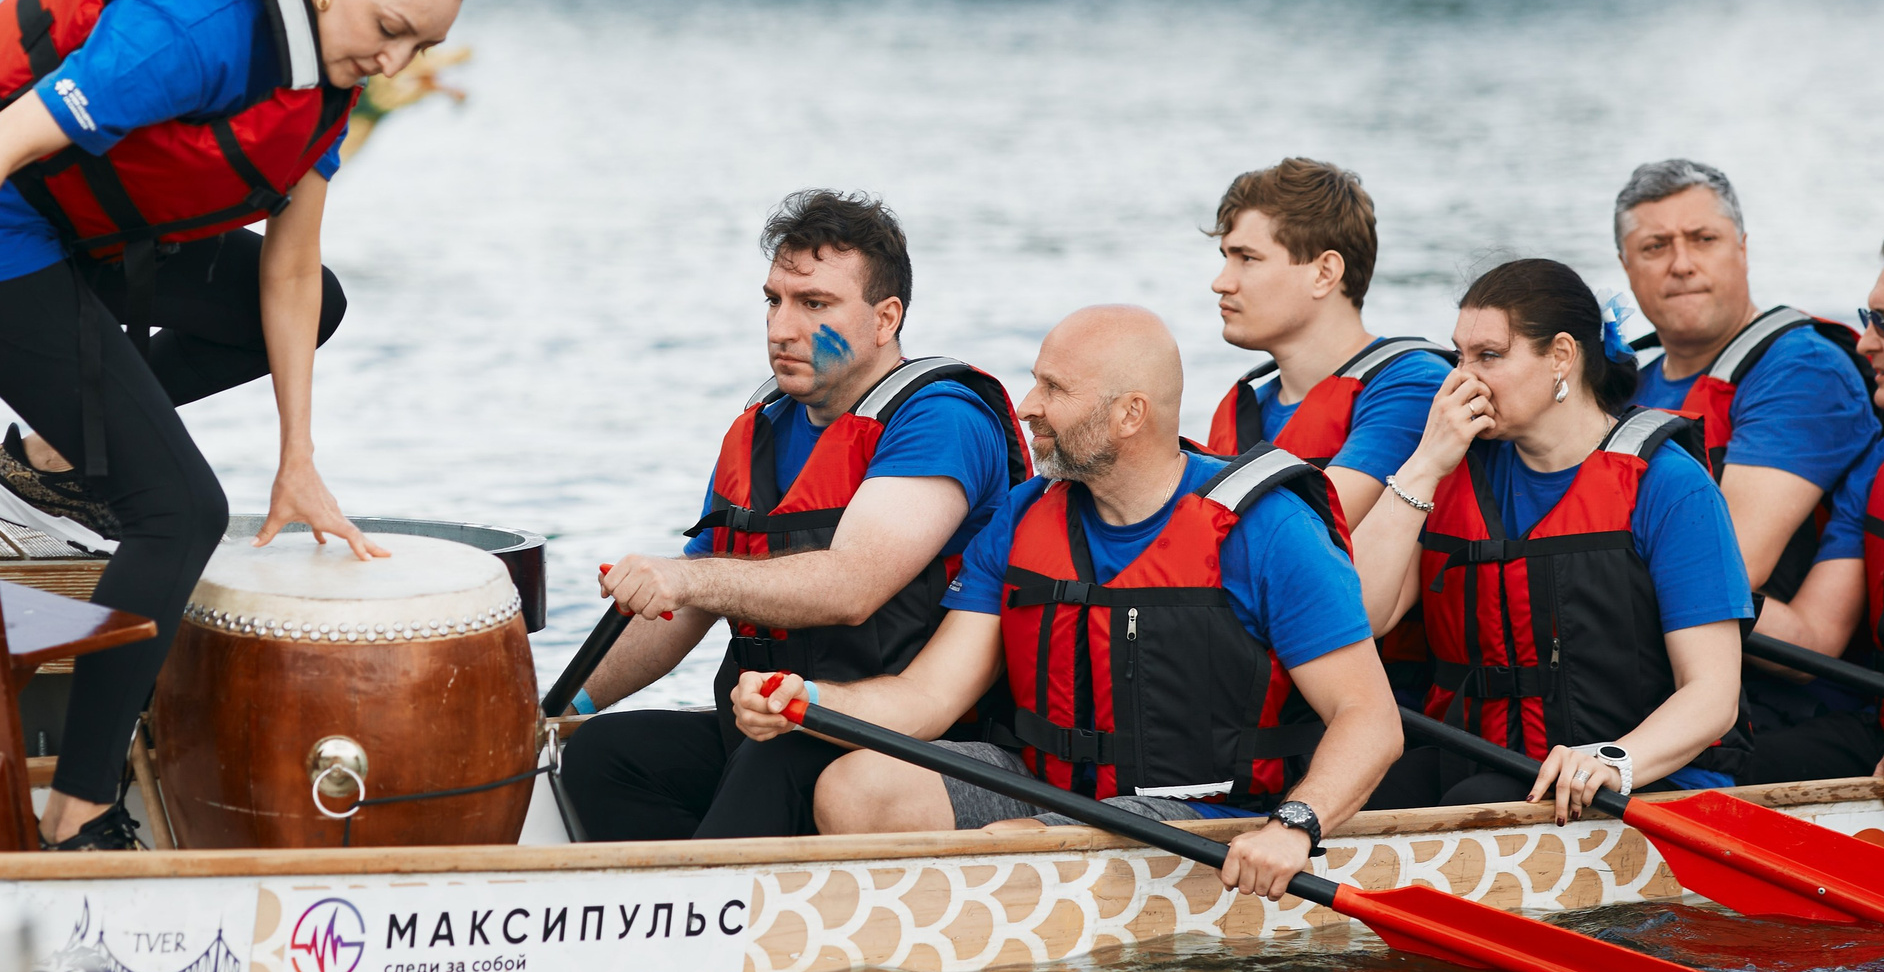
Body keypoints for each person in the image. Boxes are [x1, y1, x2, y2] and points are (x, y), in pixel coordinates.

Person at [0, 0, 474, 852]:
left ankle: (47, 463)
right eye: (389, 28)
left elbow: (290, 272)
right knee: (180, 510)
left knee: (322, 303)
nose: (393, 61)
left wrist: (297, 456)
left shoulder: (330, 78)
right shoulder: (195, 27)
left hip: (92, 233)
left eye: (420, 45)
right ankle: (77, 813)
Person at [731, 305, 1400, 901]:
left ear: (1130, 414)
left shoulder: (1270, 529)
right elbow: (928, 696)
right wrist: (804, 700)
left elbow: (1369, 720)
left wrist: (1294, 826)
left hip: (1217, 817)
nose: (1028, 405)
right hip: (1049, 782)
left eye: (1054, 389)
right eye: (1035, 381)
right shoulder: (1023, 517)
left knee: (1016, 844)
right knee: (855, 789)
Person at [560, 190, 1030, 841]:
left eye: (814, 305)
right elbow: (685, 608)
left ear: (885, 319)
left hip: (908, 744)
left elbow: (852, 586)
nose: (781, 329)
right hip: (769, 724)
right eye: (773, 301)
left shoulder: (941, 419)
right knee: (601, 755)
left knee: (776, 759)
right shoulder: (762, 428)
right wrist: (558, 705)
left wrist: (685, 578)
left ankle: (712, 892)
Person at [1350, 259, 1748, 815]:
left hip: (1635, 777)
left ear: (1561, 355)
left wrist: (1615, 759)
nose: (1462, 380)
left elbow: (1713, 695)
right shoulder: (1450, 469)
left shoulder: (1671, 486)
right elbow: (1362, 618)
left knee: (1476, 799)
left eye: (1489, 356)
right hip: (1478, 759)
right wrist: (1422, 465)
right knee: (1362, 795)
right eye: (1460, 356)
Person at [1614, 159, 1880, 748]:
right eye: (1655, 246)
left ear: (1742, 248)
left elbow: (1730, 567)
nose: (1682, 263)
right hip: (1652, 681)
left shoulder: (1803, 371)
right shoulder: (1624, 385)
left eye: (1702, 239)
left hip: (1784, 708)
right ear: (1625, 266)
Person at [1202, 160, 1450, 703]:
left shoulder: (1411, 385)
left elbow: (1315, 540)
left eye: (1247, 258)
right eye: (1225, 258)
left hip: (1374, 701)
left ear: (1324, 273)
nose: (1222, 281)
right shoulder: (1241, 406)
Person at [1752, 230, 1884, 785]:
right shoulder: (1882, 464)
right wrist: (1676, 583)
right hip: (1883, 725)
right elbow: (1812, 637)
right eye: (1868, 319)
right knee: (1725, 766)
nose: (1864, 344)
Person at [337, 44, 470, 161]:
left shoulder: (423, 81)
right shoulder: (418, 58)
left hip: (369, 110)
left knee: (339, 150)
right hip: (364, 89)